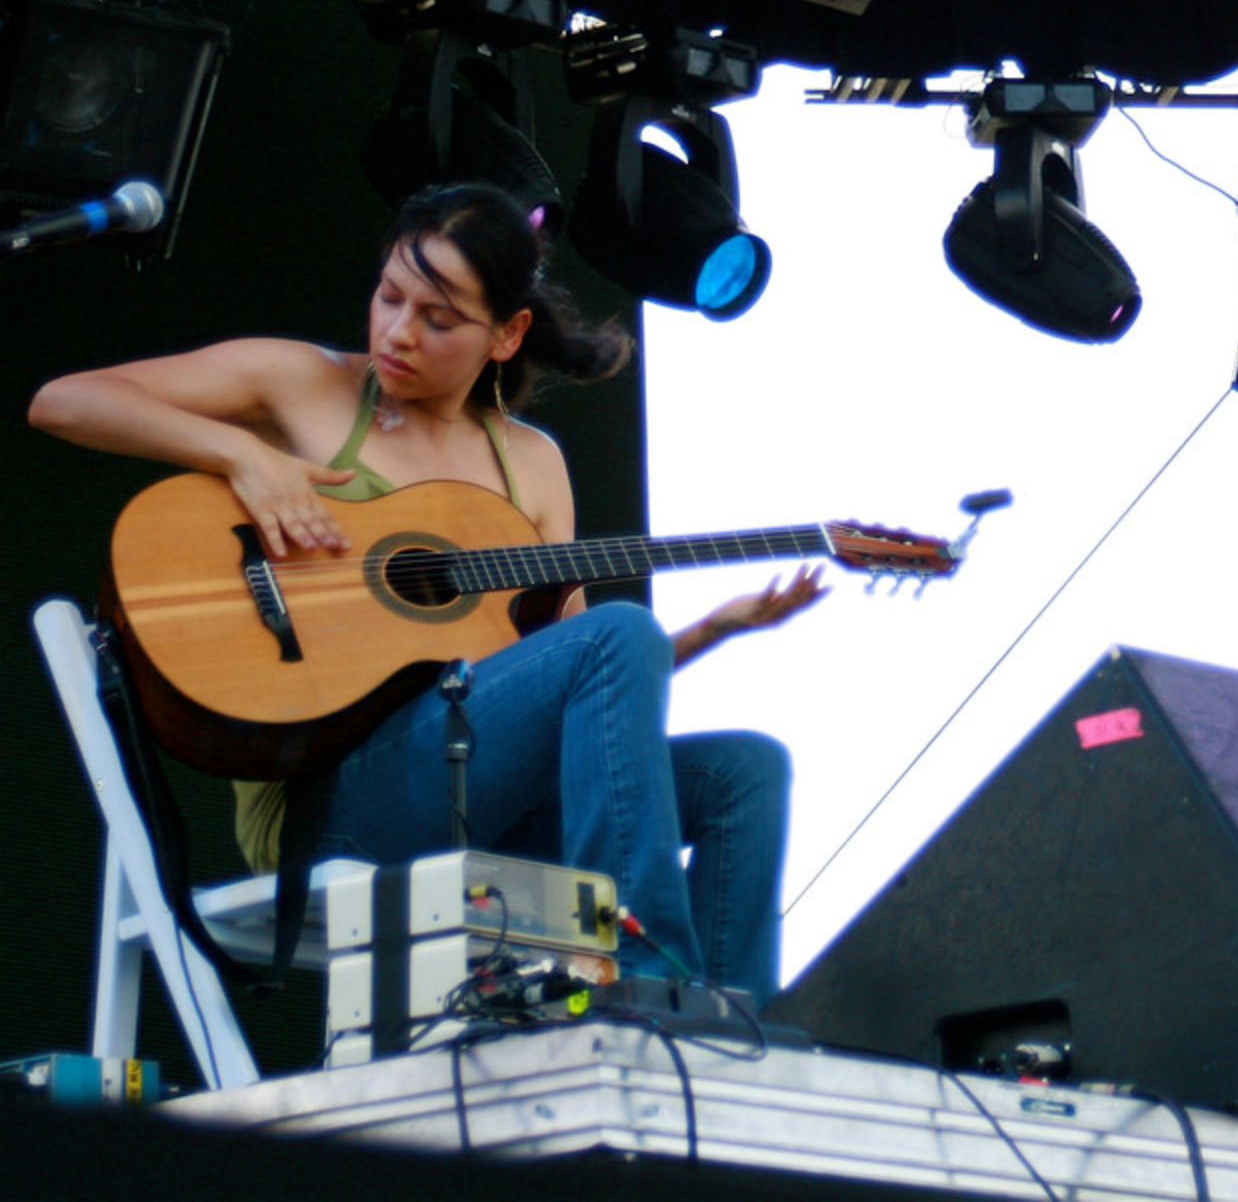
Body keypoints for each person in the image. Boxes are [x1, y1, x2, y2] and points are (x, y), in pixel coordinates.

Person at [28, 182, 821, 1002]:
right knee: (618, 635)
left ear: (508, 335)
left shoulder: (535, 466)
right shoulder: (305, 385)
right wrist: (244, 456)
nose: (399, 332)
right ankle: (644, 985)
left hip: (479, 787)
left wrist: (710, 631)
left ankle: (734, 1036)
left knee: (744, 771)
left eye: (439, 320)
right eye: (390, 296)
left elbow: (575, 682)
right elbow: (65, 401)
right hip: (327, 803)